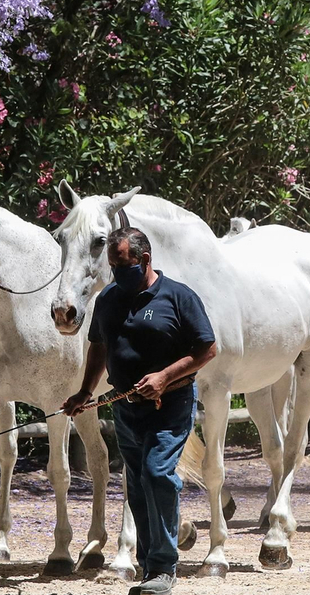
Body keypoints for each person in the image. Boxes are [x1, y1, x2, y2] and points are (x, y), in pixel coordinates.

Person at [64, 227, 217, 595]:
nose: (116, 273)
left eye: (122, 265)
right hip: (125, 408)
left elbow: (207, 349)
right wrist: (85, 391)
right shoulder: (109, 300)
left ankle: (164, 566)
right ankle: (151, 567)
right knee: (136, 485)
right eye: (113, 267)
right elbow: (98, 346)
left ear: (145, 259)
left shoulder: (179, 297)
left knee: (156, 473)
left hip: (170, 404)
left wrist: (164, 377)